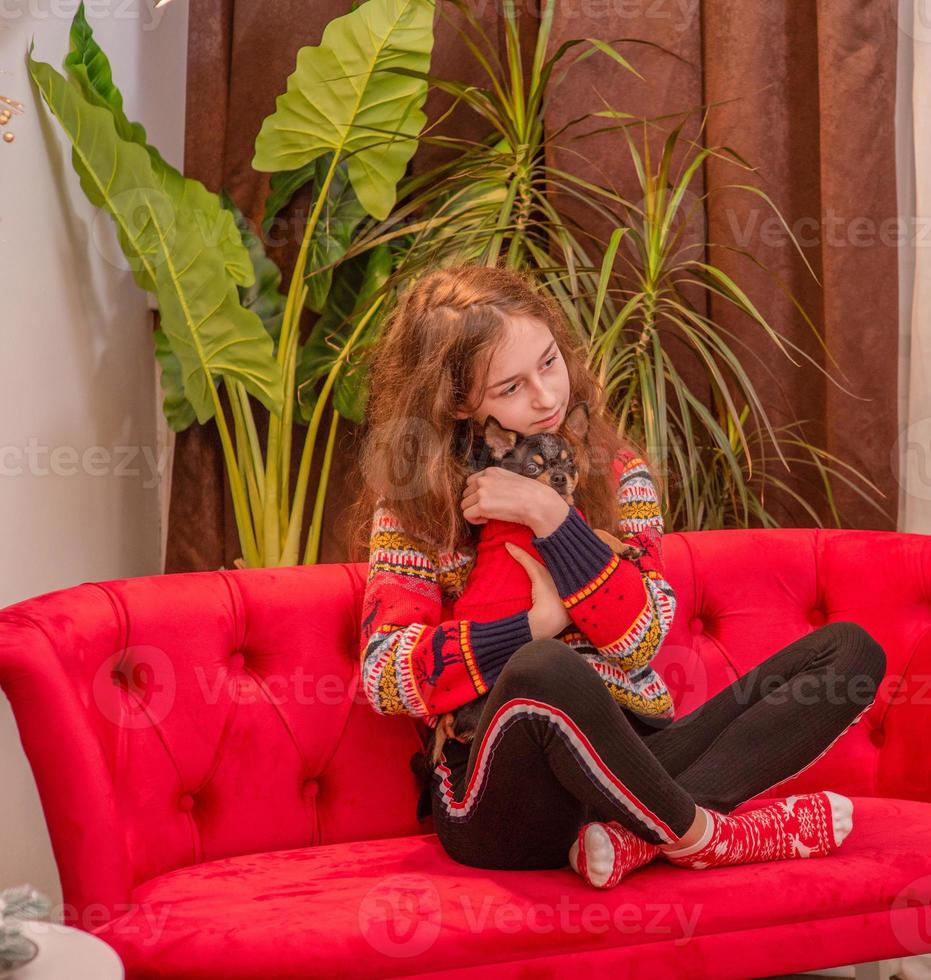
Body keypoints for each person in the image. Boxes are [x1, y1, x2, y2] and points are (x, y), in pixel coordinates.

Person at [350, 264, 887, 888]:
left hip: (633, 757)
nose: (548, 397)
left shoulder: (620, 474)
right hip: (500, 793)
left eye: (550, 364)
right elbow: (386, 673)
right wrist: (534, 625)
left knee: (849, 654)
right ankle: (708, 836)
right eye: (511, 388)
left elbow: (641, 639)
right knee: (546, 665)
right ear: (460, 402)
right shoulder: (416, 503)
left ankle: (639, 838)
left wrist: (552, 516)